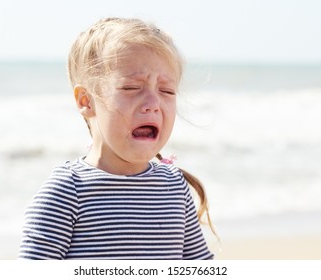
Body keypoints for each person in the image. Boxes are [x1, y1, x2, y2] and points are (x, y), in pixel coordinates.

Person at [18, 17, 215, 260]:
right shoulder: (68, 192)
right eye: (131, 88)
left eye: (166, 91)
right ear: (86, 101)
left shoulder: (174, 187)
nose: (153, 104)